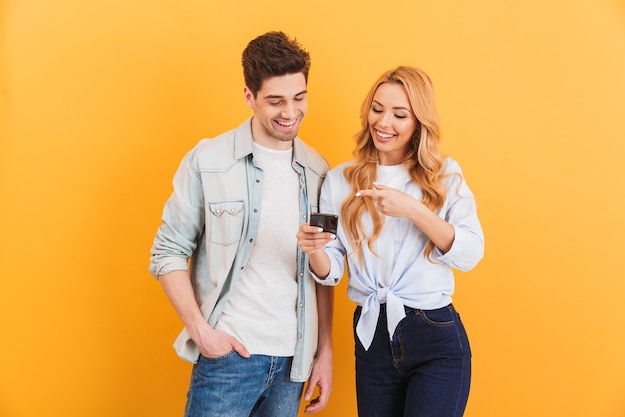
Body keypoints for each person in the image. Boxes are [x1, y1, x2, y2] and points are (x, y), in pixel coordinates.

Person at [149, 31, 333, 417]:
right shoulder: (208, 159)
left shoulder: (318, 171)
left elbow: (322, 271)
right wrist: (202, 333)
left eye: (299, 98)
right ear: (249, 96)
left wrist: (324, 354)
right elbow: (167, 252)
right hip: (228, 360)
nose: (290, 112)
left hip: (292, 365)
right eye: (275, 101)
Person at [297, 66, 484, 417]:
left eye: (400, 115)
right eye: (377, 108)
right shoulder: (340, 179)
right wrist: (314, 251)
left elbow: (471, 253)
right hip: (372, 338)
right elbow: (332, 270)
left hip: (434, 335)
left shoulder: (444, 175)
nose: (384, 123)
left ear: (418, 123)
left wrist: (414, 209)